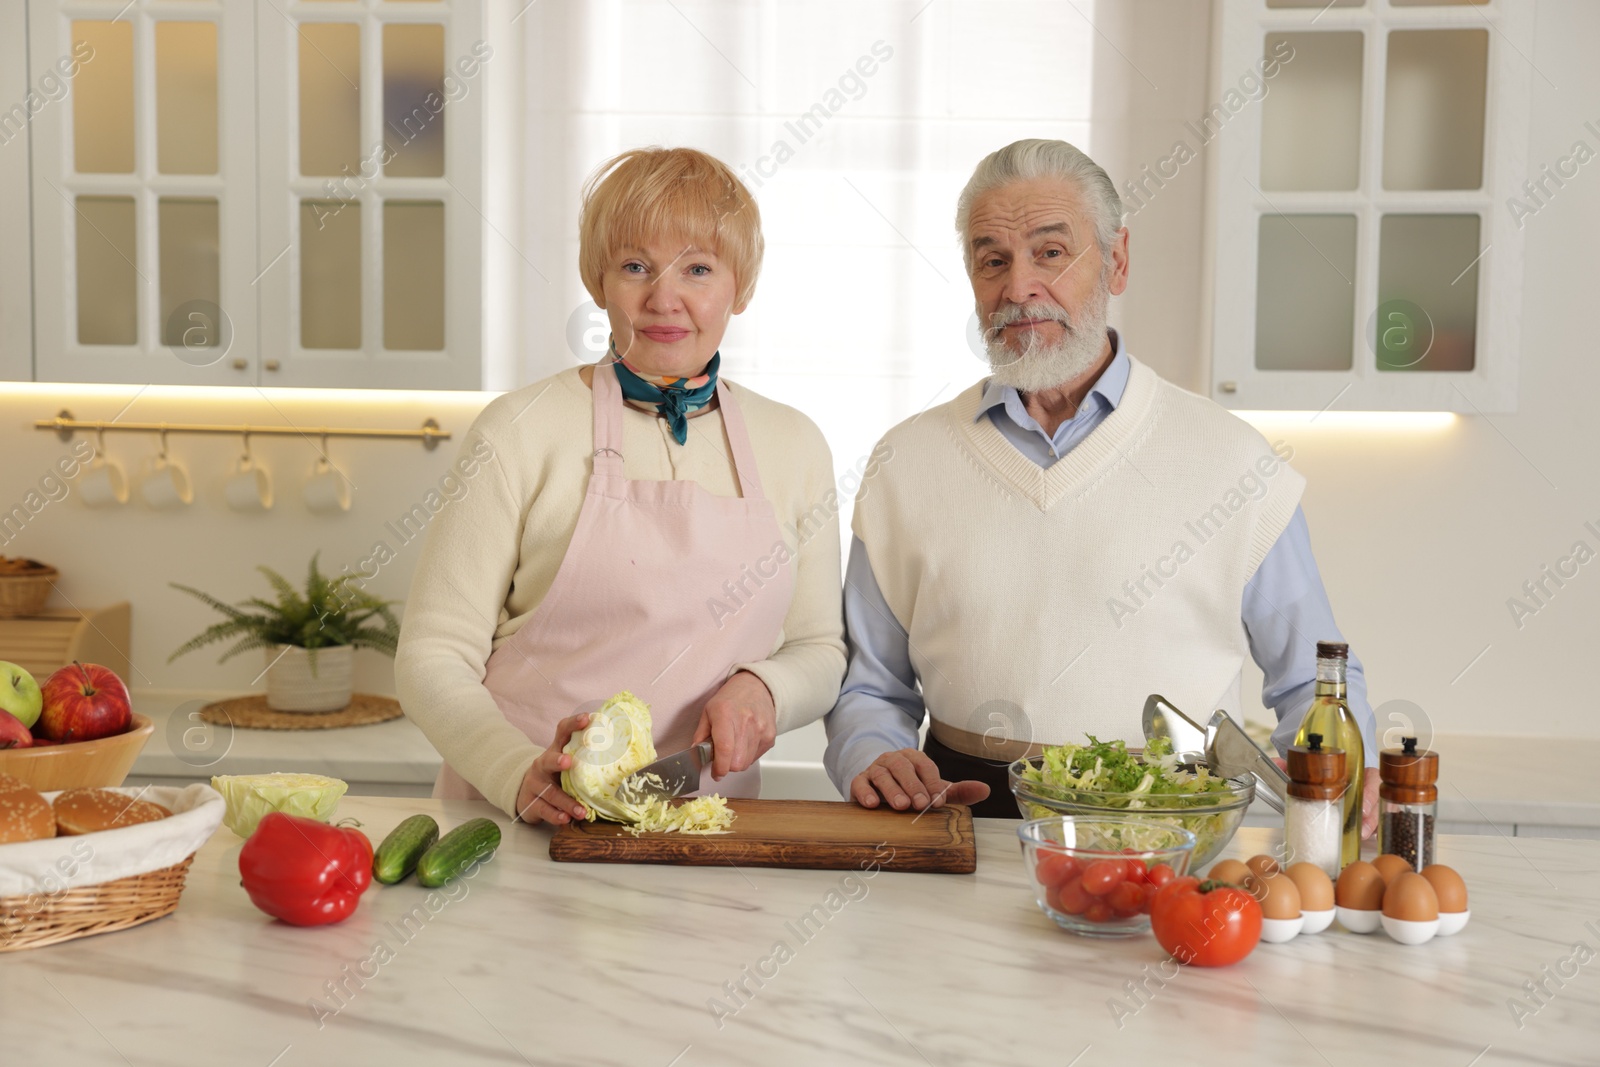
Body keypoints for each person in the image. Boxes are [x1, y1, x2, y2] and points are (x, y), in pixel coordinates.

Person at [823, 138, 1381, 828]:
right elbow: (871, 689)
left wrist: (1336, 820)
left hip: (1178, 833)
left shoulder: (1235, 464)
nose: (1019, 286)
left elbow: (1312, 684)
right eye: (992, 259)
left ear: (1116, 262)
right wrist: (868, 754)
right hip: (964, 828)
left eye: (1051, 253)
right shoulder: (903, 462)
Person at [396, 147, 846, 824]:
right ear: (598, 279)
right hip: (519, 823)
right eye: (636, 267)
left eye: (698, 269)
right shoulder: (519, 430)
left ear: (740, 286)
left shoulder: (794, 444)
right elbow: (431, 655)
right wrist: (514, 771)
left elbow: (820, 647)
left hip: (703, 829)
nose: (664, 300)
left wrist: (766, 687)